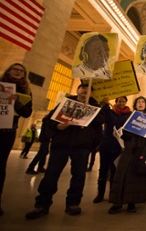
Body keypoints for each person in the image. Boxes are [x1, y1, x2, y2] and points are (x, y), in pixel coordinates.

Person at [25, 83, 104, 219]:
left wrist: (94, 110)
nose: (85, 90)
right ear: (77, 90)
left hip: (82, 146)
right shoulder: (66, 103)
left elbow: (100, 122)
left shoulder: (95, 107)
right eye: (82, 87)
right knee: (51, 175)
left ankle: (73, 203)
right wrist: (58, 126)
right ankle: (42, 204)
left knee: (78, 176)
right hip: (61, 144)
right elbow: (49, 119)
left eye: (89, 88)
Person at [108, 96, 146, 213]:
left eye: (143, 102)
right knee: (121, 176)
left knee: (137, 178)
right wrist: (118, 133)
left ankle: (132, 203)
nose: (140, 103)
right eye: (138, 102)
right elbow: (124, 132)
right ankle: (117, 203)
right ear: (135, 105)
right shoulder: (129, 116)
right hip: (129, 149)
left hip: (142, 151)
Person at [0, 63, 33, 216]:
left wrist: (16, 102)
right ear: (9, 70)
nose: (19, 72)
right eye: (16, 69)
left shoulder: (25, 90)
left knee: (0, 167)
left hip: (7, 131)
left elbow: (27, 113)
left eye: (22, 71)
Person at [93, 96, 132, 203]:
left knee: (115, 172)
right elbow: (101, 117)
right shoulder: (109, 112)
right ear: (116, 102)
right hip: (106, 145)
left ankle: (112, 194)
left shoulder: (129, 115)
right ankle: (100, 194)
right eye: (119, 101)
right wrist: (104, 105)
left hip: (119, 147)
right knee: (103, 170)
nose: (121, 103)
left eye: (123, 101)